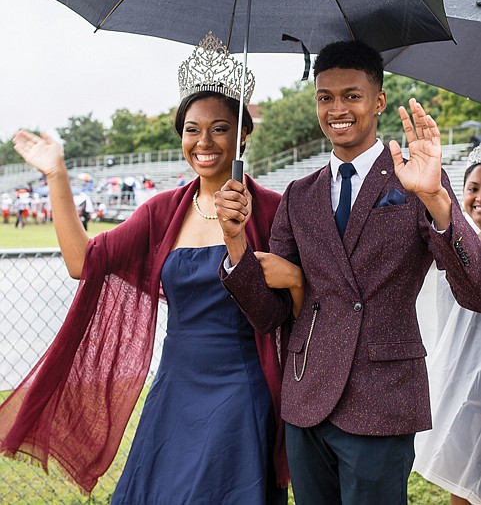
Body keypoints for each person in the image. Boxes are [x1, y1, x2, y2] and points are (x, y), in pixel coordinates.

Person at [0, 32, 302, 504]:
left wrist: (244, 241)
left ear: (243, 133)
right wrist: (56, 174)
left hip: (240, 395)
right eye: (191, 129)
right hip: (175, 390)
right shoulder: (162, 212)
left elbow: (283, 312)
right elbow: (83, 262)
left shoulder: (276, 210)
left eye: (220, 128)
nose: (204, 142)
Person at [215, 40, 481, 505]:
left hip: (383, 397)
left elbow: (475, 289)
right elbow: (269, 315)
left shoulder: (415, 180)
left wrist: (437, 200)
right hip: (308, 395)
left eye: (351, 95)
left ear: (378, 101)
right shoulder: (299, 194)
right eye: (325, 97)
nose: (337, 108)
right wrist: (236, 241)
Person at [413, 148, 481, 505]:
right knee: (462, 468)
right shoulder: (451, 241)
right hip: (463, 375)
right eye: (473, 188)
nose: (479, 198)